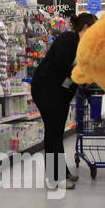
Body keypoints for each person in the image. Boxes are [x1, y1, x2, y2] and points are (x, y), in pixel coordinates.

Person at [31, 12, 95, 190]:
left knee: (57, 132)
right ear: (85, 28)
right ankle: (55, 177)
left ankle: (62, 173)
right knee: (53, 132)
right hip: (46, 89)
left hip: (58, 92)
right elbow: (62, 65)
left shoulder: (81, 46)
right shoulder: (69, 39)